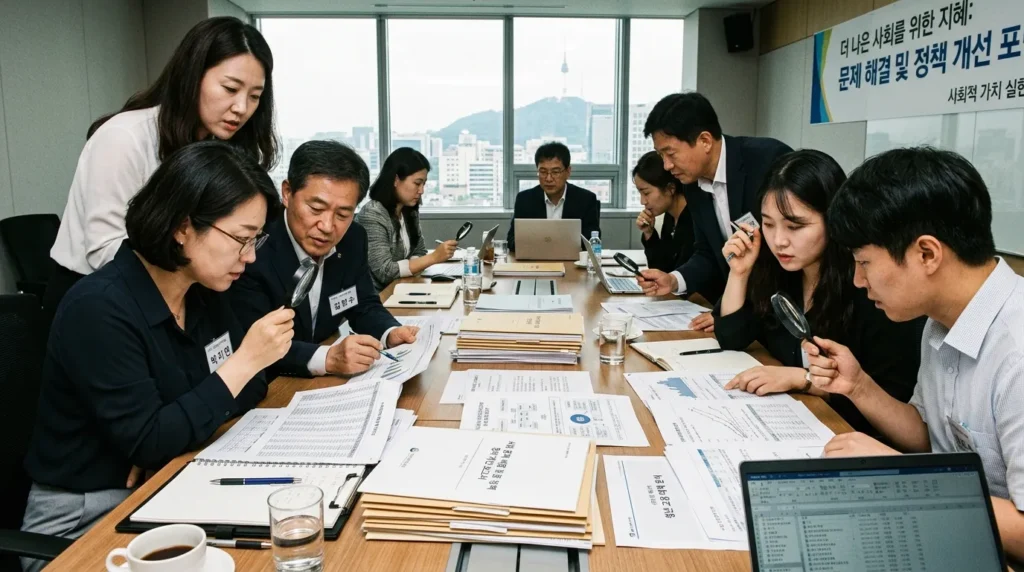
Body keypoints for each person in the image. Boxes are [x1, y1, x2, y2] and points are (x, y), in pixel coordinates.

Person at [20, 142, 293, 572]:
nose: (251, 255)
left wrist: (171, 438)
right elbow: (162, 431)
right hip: (82, 519)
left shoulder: (204, 291)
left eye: (255, 239)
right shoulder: (98, 308)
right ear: (183, 226)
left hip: (168, 485)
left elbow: (250, 387)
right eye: (241, 238)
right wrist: (237, 367)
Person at [800, 147, 1024, 561]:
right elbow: (930, 436)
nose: (858, 280)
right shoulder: (940, 320)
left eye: (864, 262)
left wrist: (900, 476)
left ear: (927, 254)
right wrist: (859, 386)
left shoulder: (1017, 354)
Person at [44, 16, 277, 322]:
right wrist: (187, 271)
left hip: (178, 293)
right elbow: (104, 249)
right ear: (192, 76)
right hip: (95, 298)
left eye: (255, 96)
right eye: (230, 88)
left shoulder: (219, 146)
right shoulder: (124, 137)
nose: (242, 108)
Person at [715, 149, 923, 434]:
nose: (779, 240)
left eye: (795, 226)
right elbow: (731, 336)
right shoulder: (778, 271)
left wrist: (803, 379)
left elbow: (888, 401)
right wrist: (739, 274)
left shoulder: (868, 287)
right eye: (769, 224)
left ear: (832, 220)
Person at [231, 140, 419, 379]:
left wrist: (389, 332)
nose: (327, 226)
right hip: (266, 383)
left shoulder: (353, 238)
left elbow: (363, 303)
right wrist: (328, 358)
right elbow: (250, 341)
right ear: (287, 193)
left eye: (343, 214)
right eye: (316, 209)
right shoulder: (254, 248)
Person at [636, 92, 792, 318]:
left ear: (705, 141)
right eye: (661, 156)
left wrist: (727, 312)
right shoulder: (692, 184)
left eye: (670, 154)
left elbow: (783, 254)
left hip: (782, 308)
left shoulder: (767, 161)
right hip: (743, 313)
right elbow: (707, 252)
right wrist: (673, 280)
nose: (667, 166)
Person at [356, 148, 457, 291]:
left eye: (424, 184)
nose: (421, 190)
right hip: (378, 296)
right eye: (417, 183)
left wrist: (409, 267)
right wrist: (434, 257)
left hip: (401, 287)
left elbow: (419, 251)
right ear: (396, 180)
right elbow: (385, 272)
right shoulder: (373, 213)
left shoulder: (409, 210)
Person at [506, 142, 601, 252]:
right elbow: (511, 239)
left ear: (568, 172)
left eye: (555, 172)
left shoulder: (586, 199)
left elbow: (592, 240)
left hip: (572, 260)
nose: (549, 178)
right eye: (543, 172)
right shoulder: (524, 199)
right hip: (536, 259)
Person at [634, 150, 696, 273]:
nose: (642, 201)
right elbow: (661, 270)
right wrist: (649, 233)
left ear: (670, 188)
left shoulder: (694, 218)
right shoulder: (670, 217)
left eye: (646, 193)